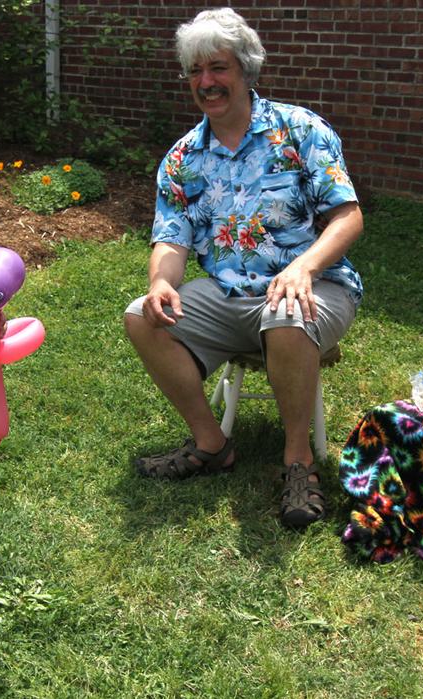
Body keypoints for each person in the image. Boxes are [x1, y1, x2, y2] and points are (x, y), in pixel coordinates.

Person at [124, 8, 364, 528]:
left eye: (218, 68)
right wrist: (161, 282)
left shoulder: (299, 130)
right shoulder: (183, 158)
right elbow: (171, 236)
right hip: (229, 293)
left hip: (317, 286)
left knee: (286, 312)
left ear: (246, 69)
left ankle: (297, 461)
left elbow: (348, 218)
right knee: (141, 316)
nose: (206, 83)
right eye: (195, 72)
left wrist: (303, 266)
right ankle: (212, 443)